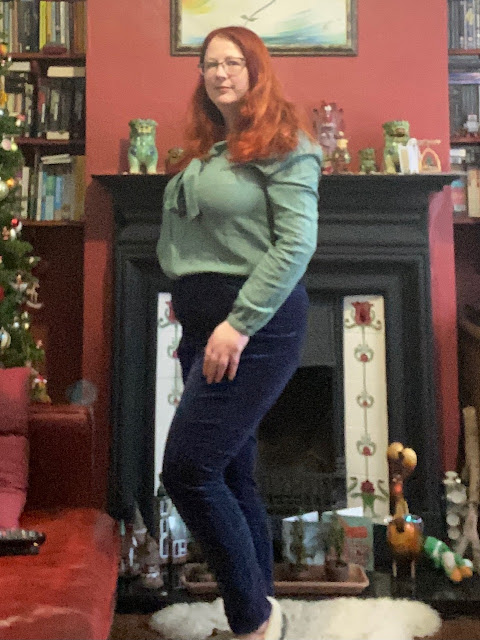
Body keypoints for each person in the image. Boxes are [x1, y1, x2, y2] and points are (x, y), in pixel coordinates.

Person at [158, 25, 322, 640]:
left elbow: (296, 244)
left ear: (256, 69)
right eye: (209, 64)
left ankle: (250, 621)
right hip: (207, 324)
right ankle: (264, 613)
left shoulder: (285, 141)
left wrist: (237, 323)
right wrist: (197, 311)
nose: (219, 72)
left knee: (189, 470)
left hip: (256, 324)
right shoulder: (214, 146)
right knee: (230, 473)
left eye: (232, 62)